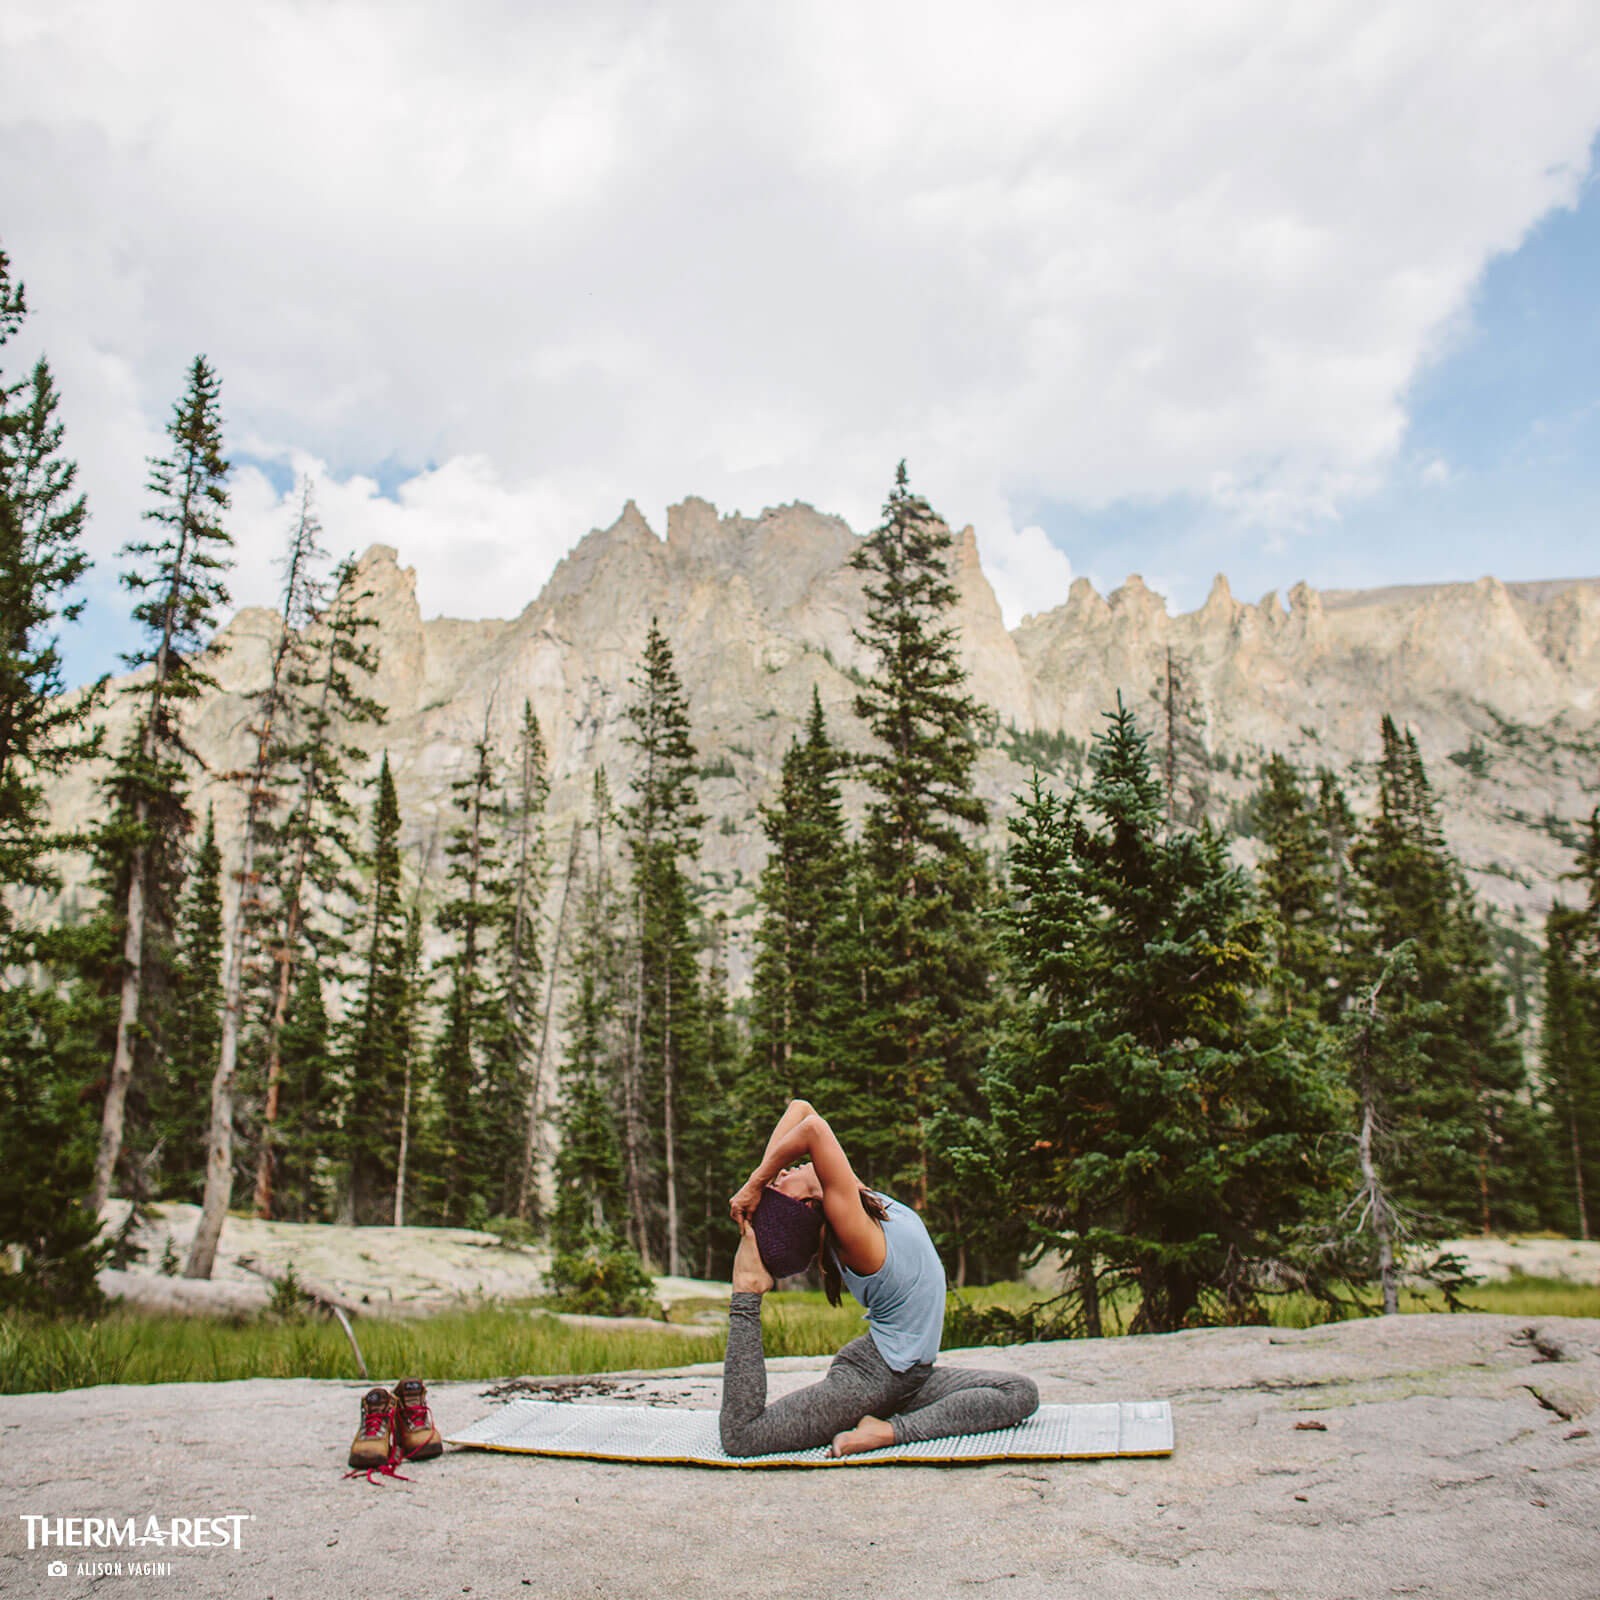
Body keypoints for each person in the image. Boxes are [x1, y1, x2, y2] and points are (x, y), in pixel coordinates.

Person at [719, 1098, 1039, 1459]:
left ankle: (887, 1423)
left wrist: (759, 1185)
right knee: (744, 1436)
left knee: (1019, 1392)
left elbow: (801, 1110)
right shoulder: (849, 1227)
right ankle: (889, 1431)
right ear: (804, 1205)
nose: (781, 1173)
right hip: (872, 1380)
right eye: (780, 1184)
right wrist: (757, 1185)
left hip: (910, 1377)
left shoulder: (852, 1194)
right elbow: (813, 1131)